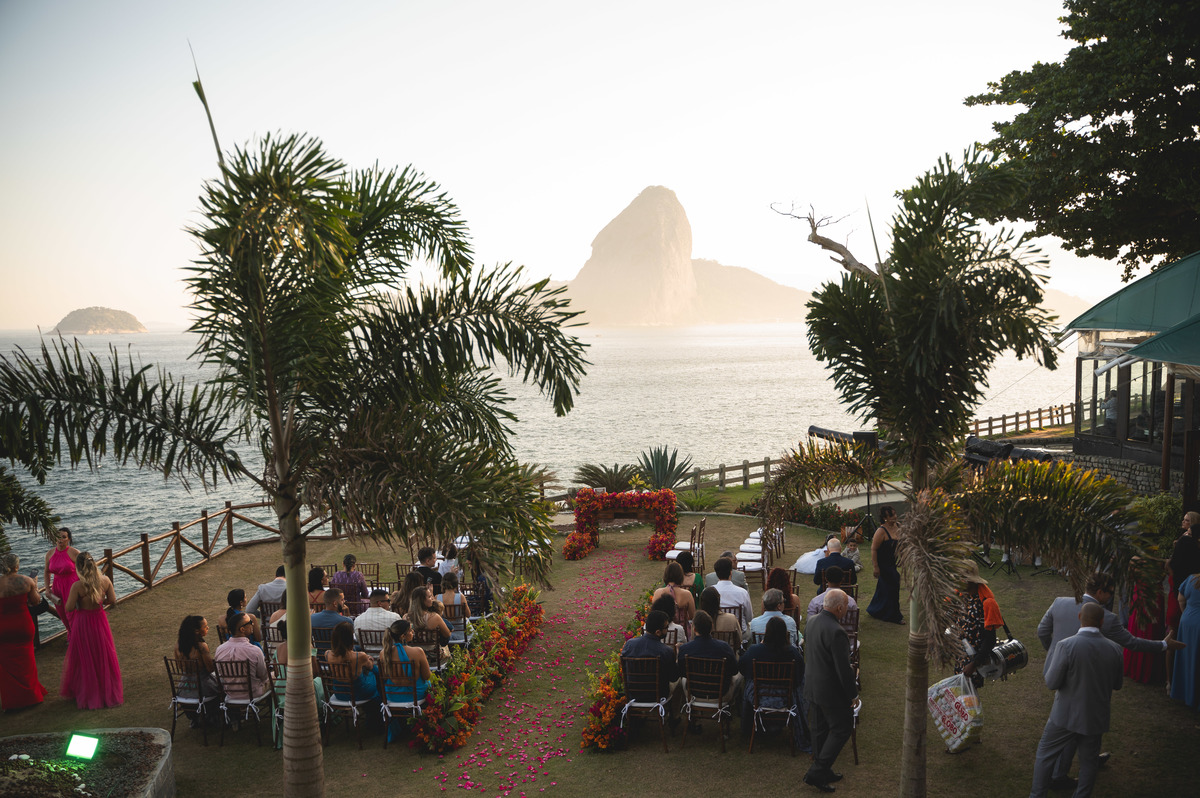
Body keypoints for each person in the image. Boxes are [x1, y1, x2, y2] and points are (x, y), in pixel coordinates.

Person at [1037, 571, 1182, 785]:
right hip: (1086, 680)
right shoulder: (1107, 618)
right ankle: (1065, 771)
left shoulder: (1059, 603)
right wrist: (1163, 645)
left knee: (1067, 718)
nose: (1110, 598)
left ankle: (1061, 773)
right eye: (1109, 594)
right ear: (1100, 592)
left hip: (1057, 674)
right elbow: (1132, 643)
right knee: (1077, 721)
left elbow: (1042, 631)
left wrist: (1056, 654)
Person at [1029, 603, 1123, 798]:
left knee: (1045, 755)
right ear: (1102, 622)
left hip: (1065, 715)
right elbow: (1117, 684)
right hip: (1095, 717)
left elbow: (1052, 682)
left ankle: (1037, 795)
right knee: (1088, 763)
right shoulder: (1115, 649)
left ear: (1080, 616)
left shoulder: (1066, 645)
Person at [803, 588, 858, 793]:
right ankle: (818, 771)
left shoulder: (812, 621)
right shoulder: (837, 631)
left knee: (819, 730)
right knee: (841, 728)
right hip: (830, 691)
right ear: (840, 607)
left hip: (812, 685)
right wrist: (852, 694)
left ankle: (823, 770)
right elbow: (843, 669)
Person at [60, 551, 123, 709]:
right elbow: (113, 600)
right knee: (103, 653)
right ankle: (106, 690)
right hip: (100, 620)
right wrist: (99, 601)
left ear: (78, 567)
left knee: (85, 656)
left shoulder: (77, 586)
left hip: (83, 622)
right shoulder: (105, 580)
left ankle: (88, 690)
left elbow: (68, 607)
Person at [739, 615, 808, 751]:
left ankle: (750, 722)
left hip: (758, 696)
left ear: (767, 632)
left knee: (748, 683)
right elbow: (799, 677)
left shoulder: (754, 650)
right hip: (785, 697)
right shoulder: (792, 653)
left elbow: (742, 667)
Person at [0, 552, 47, 710]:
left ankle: (13, 701)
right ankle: (31, 696)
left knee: (6, 664)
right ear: (16, 566)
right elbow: (35, 601)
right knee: (27, 660)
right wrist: (35, 585)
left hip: (4, 627)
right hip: (23, 625)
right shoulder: (25, 581)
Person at [677, 610, 742, 723]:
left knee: (683, 679)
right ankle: (733, 706)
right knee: (740, 676)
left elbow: (681, 672)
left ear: (694, 629)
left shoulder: (685, 649)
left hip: (694, 693)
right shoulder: (724, 647)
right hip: (721, 693)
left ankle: (692, 714)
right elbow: (734, 670)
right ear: (712, 627)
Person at [620, 610, 681, 727]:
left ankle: (641, 714)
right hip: (658, 695)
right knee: (680, 683)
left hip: (633, 694)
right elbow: (673, 677)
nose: (667, 629)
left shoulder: (629, 645)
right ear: (658, 632)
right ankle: (675, 717)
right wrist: (677, 659)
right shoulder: (666, 651)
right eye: (666, 627)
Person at [379, 618, 432, 742]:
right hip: (415, 696)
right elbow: (426, 676)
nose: (413, 632)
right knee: (431, 684)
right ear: (403, 636)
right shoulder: (417, 652)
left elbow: (386, 677)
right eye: (410, 630)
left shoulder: (384, 653)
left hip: (392, 697)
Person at [1167, 511, 1200, 688]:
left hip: (1181, 604)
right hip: (1187, 608)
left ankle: (1172, 681)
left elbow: (1180, 598)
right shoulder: (1193, 576)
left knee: (1174, 638)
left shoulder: (1187, 577)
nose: (1184, 522)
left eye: (1188, 521)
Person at [955, 563, 1003, 680]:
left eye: (962, 579)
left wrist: (974, 664)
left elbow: (990, 639)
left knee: (968, 696)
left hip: (974, 661)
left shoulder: (986, 603)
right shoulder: (961, 596)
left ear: (971, 581)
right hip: (960, 656)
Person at [213, 611, 270, 701]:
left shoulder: (219, 650)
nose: (253, 624)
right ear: (242, 629)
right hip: (253, 693)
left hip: (230, 694)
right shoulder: (254, 650)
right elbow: (264, 676)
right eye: (250, 623)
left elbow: (220, 674)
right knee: (275, 677)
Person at [866, 505, 903, 624]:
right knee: (893, 584)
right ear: (885, 518)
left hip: (892, 562)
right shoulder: (881, 531)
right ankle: (894, 616)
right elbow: (874, 549)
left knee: (884, 588)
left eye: (895, 514)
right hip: (883, 563)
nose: (895, 517)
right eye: (891, 515)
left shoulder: (899, 527)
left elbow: (902, 544)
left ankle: (876, 610)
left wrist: (902, 557)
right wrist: (876, 567)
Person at [325, 621, 378, 702]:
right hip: (359, 693)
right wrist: (369, 659)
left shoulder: (327, 654)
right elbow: (370, 666)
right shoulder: (360, 656)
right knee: (374, 672)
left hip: (339, 694)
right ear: (350, 638)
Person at [1170, 571, 1200, 709]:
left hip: (1188, 620)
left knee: (1188, 658)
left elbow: (1181, 599)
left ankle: (1187, 694)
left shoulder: (1191, 579)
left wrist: (1187, 614)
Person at [174, 615, 218, 704]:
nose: (208, 628)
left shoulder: (177, 645)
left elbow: (179, 666)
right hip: (203, 688)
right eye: (205, 627)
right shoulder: (201, 646)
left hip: (184, 688)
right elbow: (210, 669)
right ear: (196, 631)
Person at [42, 526, 80, 626]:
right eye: (58, 537)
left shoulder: (74, 552)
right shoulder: (50, 554)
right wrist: (47, 588)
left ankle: (76, 637)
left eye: (64, 537)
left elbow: (84, 570)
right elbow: (46, 572)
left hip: (72, 586)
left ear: (69, 539)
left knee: (72, 613)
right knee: (62, 614)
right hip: (57, 587)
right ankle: (70, 634)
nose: (60, 539)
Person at [711, 556, 753, 635]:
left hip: (715, 634)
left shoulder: (709, 592)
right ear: (731, 572)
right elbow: (749, 617)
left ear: (716, 574)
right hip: (739, 633)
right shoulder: (742, 593)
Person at [653, 561, 696, 636]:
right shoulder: (687, 594)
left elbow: (653, 614)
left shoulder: (658, 593)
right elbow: (693, 616)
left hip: (661, 633)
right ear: (681, 576)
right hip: (682, 632)